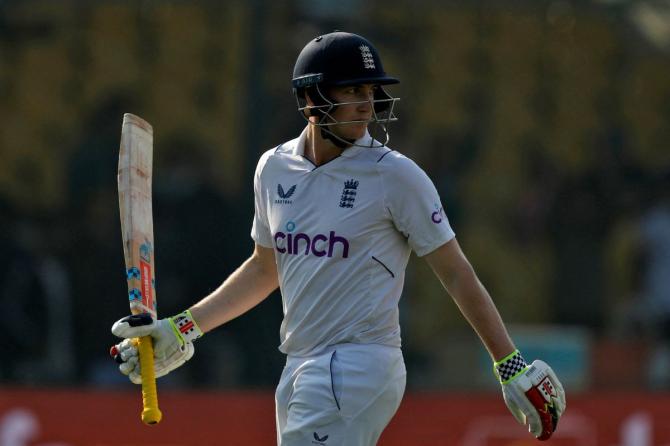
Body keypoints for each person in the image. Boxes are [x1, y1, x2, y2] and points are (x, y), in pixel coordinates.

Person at [111, 31, 566, 444]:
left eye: (370, 91)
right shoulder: (273, 168)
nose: (367, 104)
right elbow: (265, 268)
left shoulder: (396, 176)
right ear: (311, 97)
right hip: (299, 366)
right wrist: (182, 328)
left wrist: (509, 365)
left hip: (359, 363)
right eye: (352, 91)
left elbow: (455, 272)